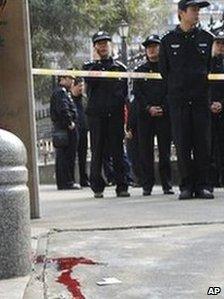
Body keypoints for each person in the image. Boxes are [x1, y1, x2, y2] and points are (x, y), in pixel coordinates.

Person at [159, 0, 214, 199]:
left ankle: (203, 185)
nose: (197, 13)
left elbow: (210, 69)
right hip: (178, 100)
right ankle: (186, 185)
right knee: (182, 143)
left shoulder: (207, 39)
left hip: (200, 99)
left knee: (202, 143)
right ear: (181, 13)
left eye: (198, 10)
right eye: (193, 10)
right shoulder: (167, 41)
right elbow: (164, 72)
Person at [82, 31, 130, 198]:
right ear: (95, 46)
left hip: (114, 115)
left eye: (106, 43)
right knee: (97, 150)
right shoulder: (88, 66)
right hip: (96, 115)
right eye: (99, 43)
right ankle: (97, 186)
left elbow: (124, 93)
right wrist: (96, 62)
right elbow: (90, 82)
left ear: (111, 45)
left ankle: (122, 185)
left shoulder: (119, 68)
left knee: (117, 150)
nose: (103, 46)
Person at [133, 34, 173, 196]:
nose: (152, 50)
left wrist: (163, 107)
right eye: (149, 47)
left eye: (155, 46)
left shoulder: (167, 69)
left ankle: (167, 184)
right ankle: (147, 184)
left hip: (164, 115)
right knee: (145, 152)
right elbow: (137, 94)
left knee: (165, 152)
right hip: (145, 116)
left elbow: (171, 90)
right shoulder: (140, 71)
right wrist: (148, 108)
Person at [50, 74, 79, 190]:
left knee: (63, 156)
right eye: (70, 79)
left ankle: (65, 182)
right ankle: (67, 182)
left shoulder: (60, 92)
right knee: (67, 156)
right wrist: (69, 122)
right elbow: (63, 108)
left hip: (62, 128)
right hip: (65, 129)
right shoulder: (61, 92)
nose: (72, 81)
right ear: (63, 79)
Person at [209, 31, 224, 189]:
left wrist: (222, 103)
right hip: (208, 110)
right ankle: (212, 179)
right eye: (218, 43)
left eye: (223, 44)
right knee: (210, 146)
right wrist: (210, 103)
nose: (220, 47)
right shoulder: (208, 64)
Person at [70, 77, 90, 187]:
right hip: (73, 131)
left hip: (83, 130)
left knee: (83, 156)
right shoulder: (69, 99)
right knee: (72, 156)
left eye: (82, 86)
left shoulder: (85, 99)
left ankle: (84, 179)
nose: (81, 88)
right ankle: (72, 180)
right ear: (73, 86)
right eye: (79, 86)